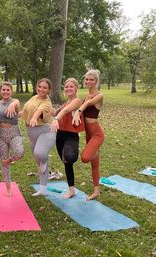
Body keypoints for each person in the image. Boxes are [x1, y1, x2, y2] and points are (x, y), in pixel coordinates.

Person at [72, 69, 104, 200]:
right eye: (87, 79)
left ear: (96, 81)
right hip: (88, 134)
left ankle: (95, 153)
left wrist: (78, 111)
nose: (88, 81)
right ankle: (96, 191)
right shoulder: (85, 95)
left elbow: (88, 103)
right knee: (94, 164)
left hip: (97, 134)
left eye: (91, 79)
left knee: (85, 157)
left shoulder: (99, 96)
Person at [21, 78, 56, 196]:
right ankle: (43, 189)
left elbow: (39, 111)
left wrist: (34, 118)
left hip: (45, 132)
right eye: (40, 86)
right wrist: (17, 113)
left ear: (49, 90)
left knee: (40, 154)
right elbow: (26, 110)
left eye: (45, 88)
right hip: (31, 132)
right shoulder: (34, 97)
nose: (41, 89)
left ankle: (45, 161)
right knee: (39, 161)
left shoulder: (47, 102)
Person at [51, 78, 84, 199]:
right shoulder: (65, 103)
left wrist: (56, 119)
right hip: (60, 135)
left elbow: (64, 111)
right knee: (66, 163)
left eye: (71, 86)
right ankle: (71, 190)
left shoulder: (77, 101)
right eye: (66, 87)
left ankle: (71, 189)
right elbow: (56, 112)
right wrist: (45, 104)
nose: (68, 89)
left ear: (76, 88)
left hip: (71, 136)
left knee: (70, 158)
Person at [0, 81, 25, 196]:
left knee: (19, 152)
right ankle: (8, 188)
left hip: (14, 132)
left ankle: (10, 160)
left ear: (11, 91)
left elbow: (17, 103)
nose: (5, 92)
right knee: (3, 162)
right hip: (0, 134)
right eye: (3, 89)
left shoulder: (15, 102)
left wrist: (13, 103)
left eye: (8, 90)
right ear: (0, 91)